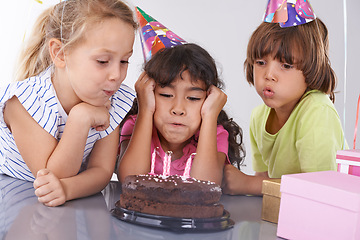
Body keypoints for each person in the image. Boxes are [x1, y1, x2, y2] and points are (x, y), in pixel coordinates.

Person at [0, 0, 137, 207]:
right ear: (60, 53)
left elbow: (101, 171)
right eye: (102, 61)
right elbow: (51, 176)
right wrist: (80, 118)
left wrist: (68, 189)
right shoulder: (26, 101)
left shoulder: (113, 98)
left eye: (124, 61)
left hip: (67, 202)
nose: (117, 75)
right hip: (14, 199)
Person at [222, 17, 346, 195]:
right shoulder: (259, 117)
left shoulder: (317, 111)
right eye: (260, 63)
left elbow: (320, 189)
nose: (269, 75)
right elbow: (264, 180)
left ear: (312, 70)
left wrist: (249, 184)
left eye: (286, 65)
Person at [117, 43, 245, 185]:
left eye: (193, 98)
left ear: (209, 99)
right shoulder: (135, 125)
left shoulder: (215, 134)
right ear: (150, 93)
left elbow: (207, 187)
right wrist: (145, 109)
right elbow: (129, 181)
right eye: (166, 95)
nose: (178, 109)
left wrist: (210, 116)